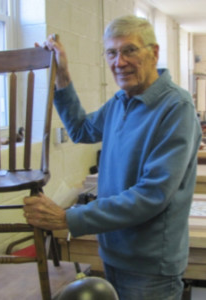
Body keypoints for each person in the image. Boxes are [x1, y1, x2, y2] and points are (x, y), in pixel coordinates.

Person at [23, 15, 202, 300]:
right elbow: (81, 129)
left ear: (153, 53)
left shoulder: (176, 108)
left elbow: (151, 195)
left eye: (129, 50)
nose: (119, 62)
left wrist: (69, 218)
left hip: (150, 265)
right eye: (111, 52)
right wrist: (63, 76)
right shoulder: (120, 102)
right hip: (112, 251)